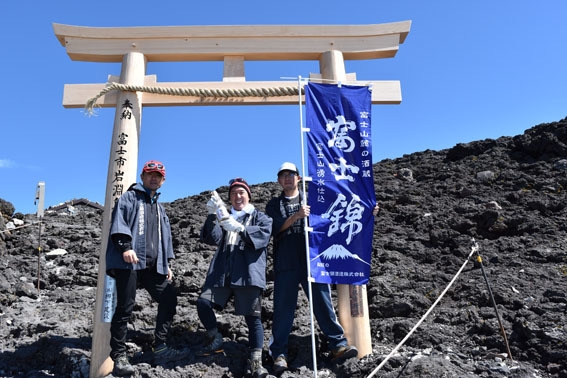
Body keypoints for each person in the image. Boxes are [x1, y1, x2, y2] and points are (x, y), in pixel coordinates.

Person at [265, 162, 359, 374]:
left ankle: (338, 345)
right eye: (283, 175)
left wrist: (368, 210)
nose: (288, 178)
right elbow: (275, 228)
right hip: (286, 262)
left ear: (299, 178)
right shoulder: (273, 204)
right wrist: (297, 216)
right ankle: (279, 353)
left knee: (323, 303)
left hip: (313, 259)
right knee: (283, 309)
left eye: (291, 174)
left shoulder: (314, 199)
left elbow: (339, 215)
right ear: (279, 181)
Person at [105, 160, 187, 376]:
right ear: (142, 176)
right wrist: (125, 246)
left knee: (169, 299)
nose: (154, 178)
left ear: (163, 180)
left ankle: (160, 346)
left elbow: (164, 238)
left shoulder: (159, 207)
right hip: (130, 262)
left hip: (152, 266)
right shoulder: (130, 197)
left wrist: (166, 263)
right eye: (150, 174)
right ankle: (119, 356)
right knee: (125, 307)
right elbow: (120, 220)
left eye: (158, 176)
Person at [197, 177, 273, 378]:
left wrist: (240, 228)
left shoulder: (261, 218)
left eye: (241, 193)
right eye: (233, 194)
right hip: (222, 273)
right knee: (204, 302)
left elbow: (263, 237)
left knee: (253, 318)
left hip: (248, 274)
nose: (237, 197)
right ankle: (215, 337)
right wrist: (213, 216)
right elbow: (212, 238)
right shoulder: (225, 216)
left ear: (248, 195)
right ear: (229, 198)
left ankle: (255, 360)